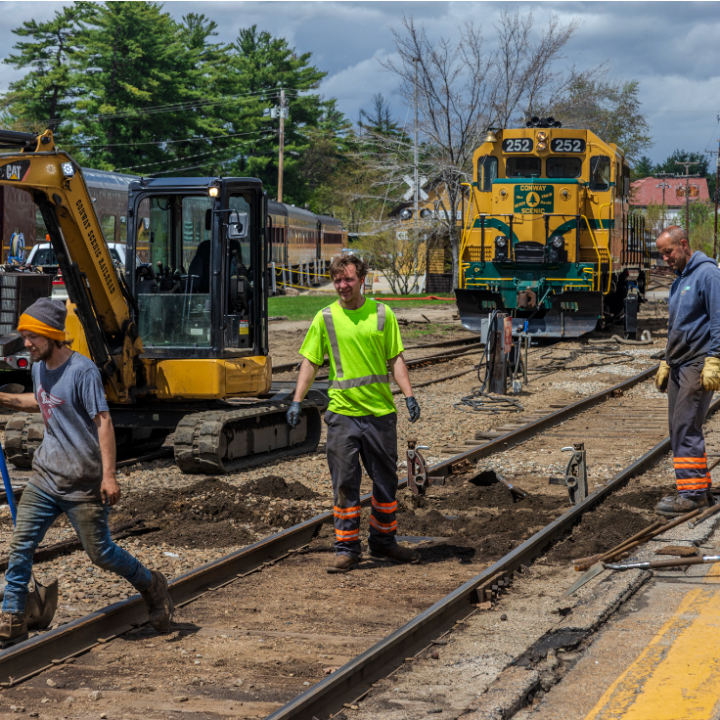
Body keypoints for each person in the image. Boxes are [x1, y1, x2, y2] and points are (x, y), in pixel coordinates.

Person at [0, 298, 173, 645]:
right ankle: (12, 619)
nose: (27, 344)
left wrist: (109, 476)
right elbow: (43, 400)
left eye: (32, 336)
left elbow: (103, 420)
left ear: (51, 335)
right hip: (46, 478)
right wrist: (4, 399)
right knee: (20, 548)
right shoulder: (38, 368)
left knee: (102, 554)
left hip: (83, 483)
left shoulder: (83, 371)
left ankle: (152, 584)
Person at [287, 254, 421, 573]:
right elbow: (310, 362)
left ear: (362, 279)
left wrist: (410, 395)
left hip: (379, 414)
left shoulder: (381, 314)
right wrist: (296, 399)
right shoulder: (326, 317)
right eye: (337, 280)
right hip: (342, 415)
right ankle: (347, 548)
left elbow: (396, 359)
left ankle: (384, 541)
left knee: (386, 482)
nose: (342, 285)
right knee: (345, 482)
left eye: (347, 279)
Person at [654, 226, 720, 516]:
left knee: (685, 425)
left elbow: (719, 318)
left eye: (668, 252)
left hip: (697, 362)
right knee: (678, 427)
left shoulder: (707, 275)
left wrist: (715, 359)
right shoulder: (680, 280)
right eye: (662, 254)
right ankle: (699, 487)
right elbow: (677, 324)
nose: (665, 258)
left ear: (683, 245)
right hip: (680, 364)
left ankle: (692, 496)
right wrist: (667, 359)